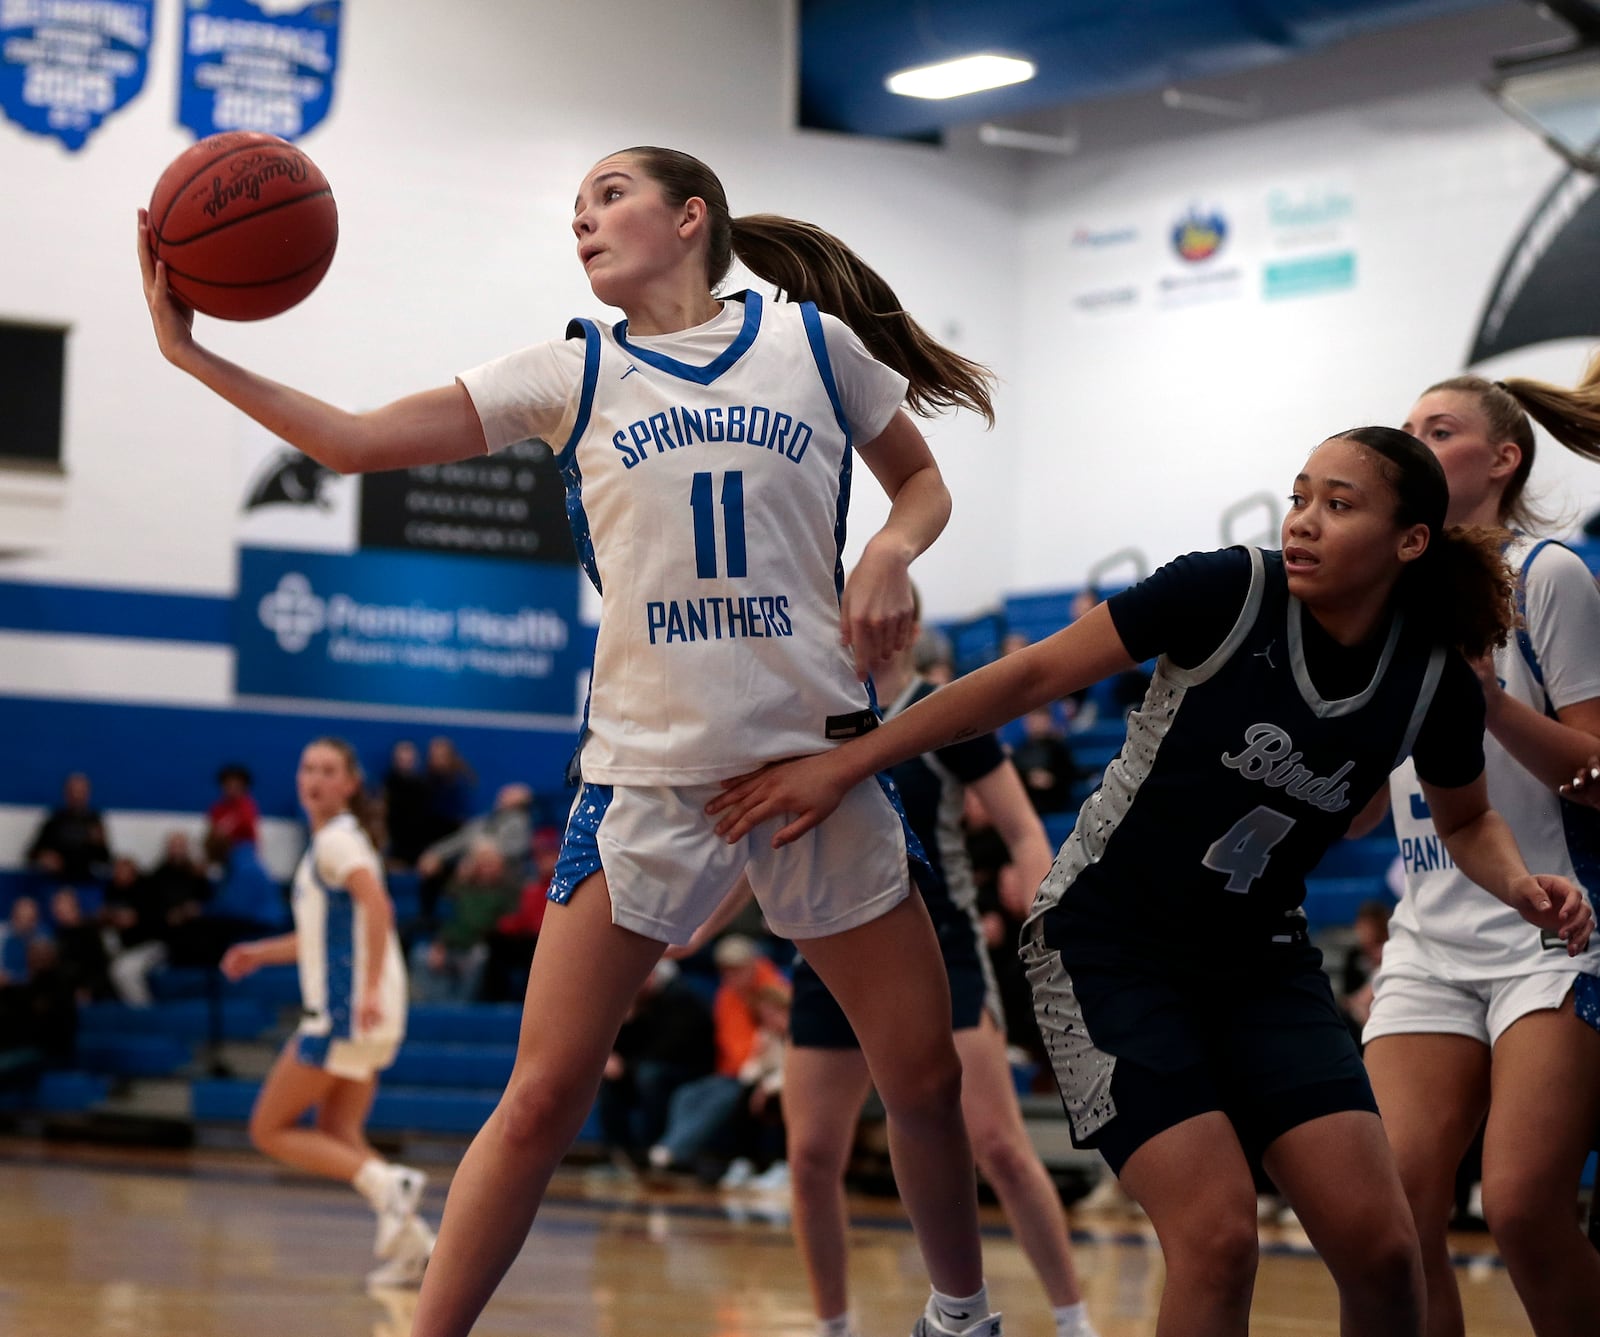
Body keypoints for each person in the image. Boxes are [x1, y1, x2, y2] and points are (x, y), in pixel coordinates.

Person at [140, 144, 1002, 1337]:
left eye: (609, 196)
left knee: (922, 1078)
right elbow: (348, 442)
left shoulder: (814, 346)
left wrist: (889, 553)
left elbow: (921, 487)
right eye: (574, 208)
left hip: (812, 764)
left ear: (690, 216)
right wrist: (190, 351)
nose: (582, 222)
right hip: (645, 779)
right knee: (540, 1095)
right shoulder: (570, 371)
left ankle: (962, 1313)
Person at [707, 426, 1596, 1337]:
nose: (1303, 523)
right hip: (1108, 947)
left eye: (1338, 505)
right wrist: (847, 764)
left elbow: (1467, 817)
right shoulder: (1226, 589)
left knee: (1382, 1248)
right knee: (1217, 1238)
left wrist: (1521, 883)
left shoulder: (1432, 679)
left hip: (1260, 962)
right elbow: (1034, 674)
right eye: (1298, 498)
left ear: (1411, 541)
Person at [751, 587, 1099, 1337]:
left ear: (904, 623)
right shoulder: (811, 710)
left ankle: (1073, 1319)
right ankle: (833, 1323)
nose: (857, 624)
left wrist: (1040, 902)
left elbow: (1022, 828)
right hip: (829, 953)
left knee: (1000, 1144)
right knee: (810, 1153)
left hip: (942, 949)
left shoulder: (943, 711)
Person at [1352, 370, 1600, 1337]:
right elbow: (1367, 809)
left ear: (1503, 460)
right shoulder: (1387, 601)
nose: (1413, 443)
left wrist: (1487, 697)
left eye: (1439, 430)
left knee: (1523, 1206)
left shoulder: (1549, 576)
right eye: (1405, 429)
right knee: (1390, 1213)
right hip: (1431, 939)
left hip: (1558, 929)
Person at [218, 737, 433, 1290]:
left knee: (268, 1128)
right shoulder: (334, 844)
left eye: (328, 769)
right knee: (338, 1129)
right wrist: (260, 954)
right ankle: (417, 1247)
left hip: (344, 1013)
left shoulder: (338, 844)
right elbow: (319, 936)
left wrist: (364, 992)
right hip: (369, 1014)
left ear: (349, 784)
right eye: (307, 767)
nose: (314, 778)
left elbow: (379, 909)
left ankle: (390, 1186)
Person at [26, 772, 111, 886]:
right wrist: (43, 857)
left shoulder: (95, 820)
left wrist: (99, 843)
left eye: (81, 792)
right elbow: (31, 854)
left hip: (85, 883)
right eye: (73, 791)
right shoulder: (56, 819)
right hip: (57, 884)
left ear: (87, 794)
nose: (77, 796)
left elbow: (105, 859)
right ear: (66, 794)